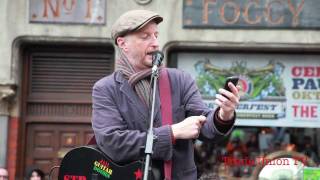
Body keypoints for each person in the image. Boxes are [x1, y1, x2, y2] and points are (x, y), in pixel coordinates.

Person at [92, 9, 240, 179]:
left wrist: (224, 114)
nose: (155, 43)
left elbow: (206, 128)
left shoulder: (179, 79)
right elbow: (113, 143)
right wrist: (172, 133)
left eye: (156, 35)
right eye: (145, 36)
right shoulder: (105, 89)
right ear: (123, 43)